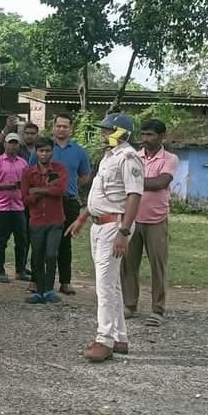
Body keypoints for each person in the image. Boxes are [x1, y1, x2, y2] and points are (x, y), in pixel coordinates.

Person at [65, 112, 143, 362]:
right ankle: (119, 336)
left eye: (108, 130)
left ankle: (104, 338)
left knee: (104, 286)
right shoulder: (109, 157)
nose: (103, 134)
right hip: (99, 224)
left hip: (114, 226)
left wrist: (124, 231)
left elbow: (134, 196)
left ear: (121, 132)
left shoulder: (129, 158)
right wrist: (83, 216)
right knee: (112, 284)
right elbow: (102, 192)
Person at [122, 119, 178, 327]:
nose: (145, 139)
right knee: (128, 265)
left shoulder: (170, 158)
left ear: (162, 136)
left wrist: (134, 182)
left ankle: (158, 309)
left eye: (150, 135)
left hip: (156, 219)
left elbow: (161, 182)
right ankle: (129, 305)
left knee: (158, 265)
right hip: (132, 218)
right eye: (143, 134)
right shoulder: (134, 157)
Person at [42, 114, 92, 296]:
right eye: (58, 126)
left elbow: (85, 176)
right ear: (53, 127)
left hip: (69, 201)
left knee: (65, 242)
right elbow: (31, 172)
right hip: (46, 202)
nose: (61, 129)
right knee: (43, 241)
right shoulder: (44, 149)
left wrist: (68, 184)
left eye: (65, 126)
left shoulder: (79, 151)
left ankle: (65, 282)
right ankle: (38, 280)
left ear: (71, 128)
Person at [21, 142, 68, 303]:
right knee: (37, 256)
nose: (44, 154)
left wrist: (37, 190)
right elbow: (26, 199)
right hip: (37, 220)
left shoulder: (59, 169)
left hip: (55, 220)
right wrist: (46, 189)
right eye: (41, 151)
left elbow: (60, 190)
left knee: (51, 254)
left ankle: (49, 290)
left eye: (47, 151)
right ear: (36, 152)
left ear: (52, 152)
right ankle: (39, 291)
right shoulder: (28, 173)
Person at [0, 133, 30, 284]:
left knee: (21, 240)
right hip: (1, 207)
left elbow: (28, 183)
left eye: (15, 143)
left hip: (19, 206)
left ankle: (20, 270)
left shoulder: (23, 164)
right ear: (5, 144)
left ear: (19, 145)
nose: (13, 146)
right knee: (2, 240)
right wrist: (8, 185)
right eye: (10, 143)